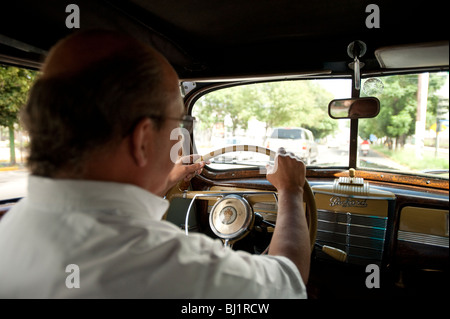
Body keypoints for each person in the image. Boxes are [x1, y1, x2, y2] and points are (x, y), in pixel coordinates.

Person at [0, 30, 310, 298]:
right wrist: (291, 191)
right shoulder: (170, 267)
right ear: (143, 139)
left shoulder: (13, 227)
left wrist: (161, 180)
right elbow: (290, 282)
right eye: (178, 122)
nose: (179, 136)